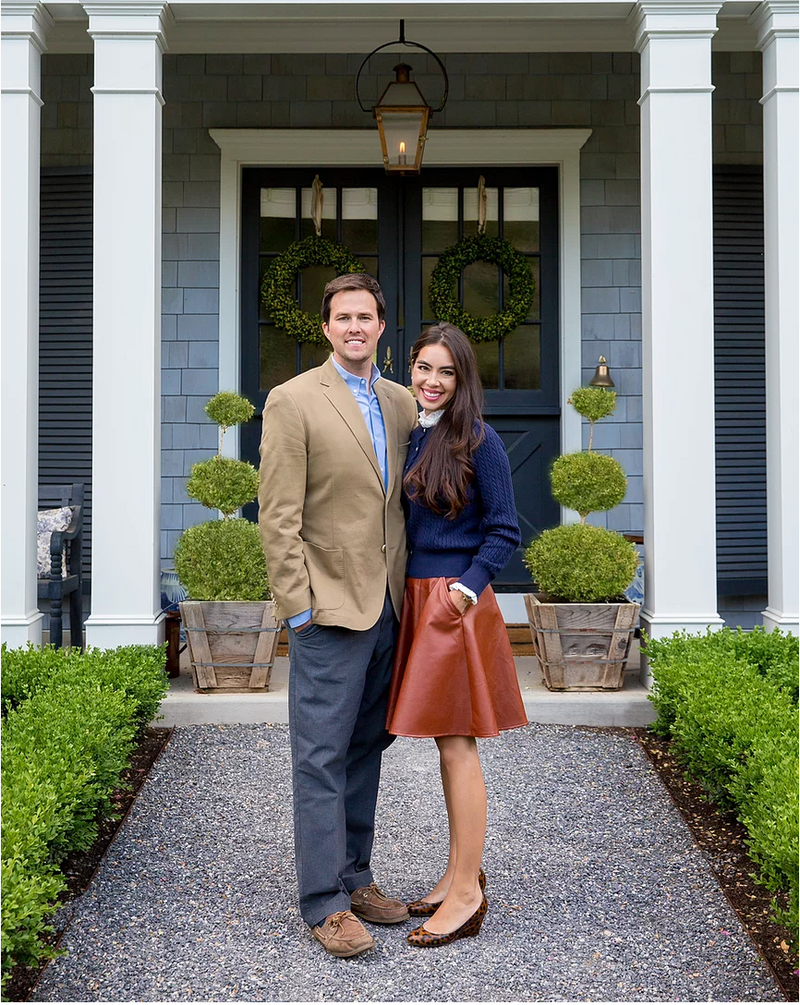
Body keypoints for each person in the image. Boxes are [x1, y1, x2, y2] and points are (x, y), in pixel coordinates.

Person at [258, 274, 418, 958]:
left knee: (365, 748)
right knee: (320, 757)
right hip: (325, 608)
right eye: (343, 316)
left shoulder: (404, 402)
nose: (355, 326)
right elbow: (277, 516)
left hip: (388, 607)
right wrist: (298, 610)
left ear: (383, 326)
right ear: (326, 328)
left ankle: (355, 876)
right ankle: (323, 901)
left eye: (367, 316)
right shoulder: (292, 401)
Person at [385, 322, 528, 948]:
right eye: (423, 368)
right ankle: (456, 874)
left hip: (453, 602)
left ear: (462, 378)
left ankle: (468, 894)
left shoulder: (481, 440)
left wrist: (462, 592)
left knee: (456, 745)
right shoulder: (410, 433)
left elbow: (504, 531)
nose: (432, 381)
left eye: (446, 371)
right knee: (445, 744)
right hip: (415, 597)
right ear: (410, 369)